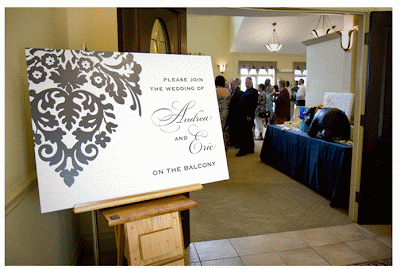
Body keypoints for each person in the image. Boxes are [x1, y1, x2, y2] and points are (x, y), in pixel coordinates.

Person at [236, 77, 258, 157]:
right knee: (248, 133)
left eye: (248, 82)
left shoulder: (254, 92)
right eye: (246, 82)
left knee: (245, 133)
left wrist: (249, 115)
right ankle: (250, 148)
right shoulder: (246, 91)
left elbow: (253, 105)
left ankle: (243, 150)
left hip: (248, 115)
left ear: (252, 83)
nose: (247, 84)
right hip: (243, 115)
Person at [215, 75, 231, 150]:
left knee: (219, 129)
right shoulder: (227, 90)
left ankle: (222, 145)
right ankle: (225, 144)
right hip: (226, 110)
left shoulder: (216, 91)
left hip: (219, 111)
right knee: (224, 128)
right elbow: (229, 102)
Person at [226, 79, 242, 147]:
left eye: (234, 84)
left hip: (236, 113)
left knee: (237, 129)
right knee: (232, 128)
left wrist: (239, 114)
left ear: (236, 85)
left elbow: (240, 105)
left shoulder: (239, 92)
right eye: (231, 84)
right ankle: (233, 141)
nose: (232, 86)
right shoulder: (231, 92)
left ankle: (237, 143)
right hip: (231, 113)